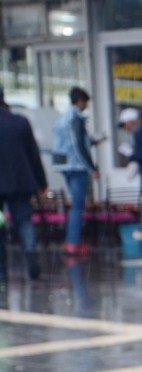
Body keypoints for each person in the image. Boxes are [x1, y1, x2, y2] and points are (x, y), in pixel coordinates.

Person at [0, 84, 47, 280]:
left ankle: (1, 270)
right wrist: (41, 182)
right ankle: (30, 252)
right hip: (21, 182)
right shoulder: (20, 122)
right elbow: (33, 154)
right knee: (24, 220)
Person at [52, 87, 99, 256]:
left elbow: (66, 143)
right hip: (76, 167)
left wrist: (90, 142)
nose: (86, 106)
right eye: (85, 102)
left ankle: (72, 240)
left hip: (64, 165)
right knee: (78, 206)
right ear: (80, 101)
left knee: (75, 205)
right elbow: (78, 145)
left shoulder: (61, 118)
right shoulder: (75, 118)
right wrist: (92, 168)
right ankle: (73, 242)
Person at [117, 107, 142, 198]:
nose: (125, 129)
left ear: (132, 122)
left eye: (125, 125)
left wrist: (131, 155)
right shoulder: (141, 132)